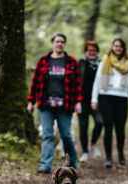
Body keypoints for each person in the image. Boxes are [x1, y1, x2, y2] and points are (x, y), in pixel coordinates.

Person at [27, 32, 82, 173]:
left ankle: (72, 163)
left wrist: (78, 102)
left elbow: (77, 85)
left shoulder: (71, 62)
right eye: (57, 41)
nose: (59, 44)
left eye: (62, 41)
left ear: (64, 44)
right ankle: (45, 164)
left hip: (66, 105)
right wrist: (31, 101)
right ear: (53, 43)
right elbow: (35, 83)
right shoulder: (43, 61)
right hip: (46, 105)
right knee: (47, 134)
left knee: (66, 135)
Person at [91, 38, 128, 168]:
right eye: (116, 46)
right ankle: (108, 157)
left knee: (120, 129)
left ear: (123, 49)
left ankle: (121, 155)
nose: (118, 48)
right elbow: (97, 81)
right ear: (112, 47)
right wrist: (94, 99)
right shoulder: (105, 61)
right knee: (108, 128)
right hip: (105, 97)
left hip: (121, 97)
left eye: (120, 46)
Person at [78, 41, 103, 163]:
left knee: (99, 122)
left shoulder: (102, 64)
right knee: (83, 127)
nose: (91, 52)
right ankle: (85, 152)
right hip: (82, 101)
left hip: (97, 100)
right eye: (89, 50)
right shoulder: (80, 63)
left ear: (97, 52)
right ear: (85, 52)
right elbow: (75, 82)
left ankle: (93, 143)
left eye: (94, 50)